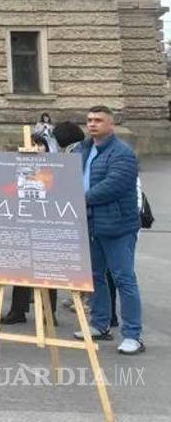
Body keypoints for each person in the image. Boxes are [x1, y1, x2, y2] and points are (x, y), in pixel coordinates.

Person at [76, 106, 144, 355]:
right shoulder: (83, 148)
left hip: (118, 226)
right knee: (95, 276)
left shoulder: (122, 152)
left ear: (110, 125)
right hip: (92, 222)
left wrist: (80, 197)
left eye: (98, 120)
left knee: (123, 278)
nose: (92, 124)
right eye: (89, 120)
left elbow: (114, 184)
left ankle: (133, 335)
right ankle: (100, 324)